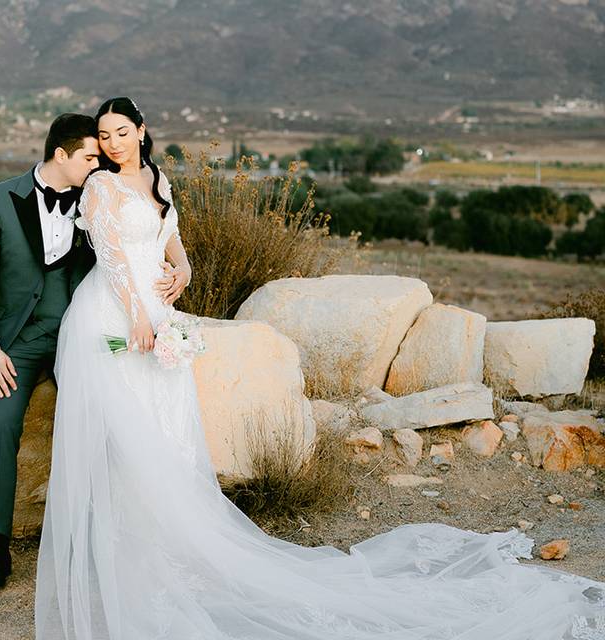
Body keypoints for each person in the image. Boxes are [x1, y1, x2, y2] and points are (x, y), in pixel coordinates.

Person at [33, 97, 605, 639]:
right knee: (130, 435)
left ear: (142, 131)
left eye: (121, 133)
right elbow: (110, 257)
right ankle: (130, 554)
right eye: (103, 137)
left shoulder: (157, 180)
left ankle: (174, 544)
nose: (112, 144)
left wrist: (180, 275)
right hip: (115, 317)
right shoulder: (102, 187)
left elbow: (172, 239)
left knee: (168, 430)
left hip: (161, 310)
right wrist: (139, 317)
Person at [0, 112, 101, 593]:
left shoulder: (95, 201)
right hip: (15, 340)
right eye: (89, 157)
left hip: (74, 337)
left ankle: (91, 536)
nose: (95, 165)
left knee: (97, 416)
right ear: (61, 155)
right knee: (0, 424)